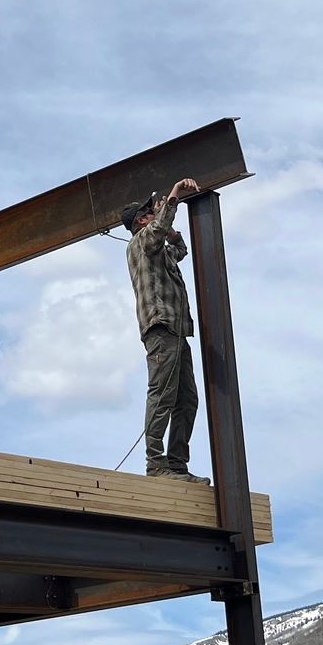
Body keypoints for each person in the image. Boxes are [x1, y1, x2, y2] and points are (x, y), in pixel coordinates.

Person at [122, 177, 207, 483]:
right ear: (141, 221)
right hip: (160, 326)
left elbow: (180, 248)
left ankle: (177, 463)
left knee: (187, 399)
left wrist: (170, 227)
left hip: (176, 329)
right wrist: (173, 196)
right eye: (150, 213)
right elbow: (156, 233)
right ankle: (155, 464)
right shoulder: (141, 242)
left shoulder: (158, 248)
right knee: (163, 394)